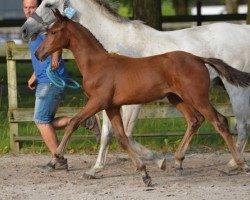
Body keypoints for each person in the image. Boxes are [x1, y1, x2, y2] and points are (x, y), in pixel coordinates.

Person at [23, 0, 101, 170]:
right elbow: (42, 51)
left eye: (32, 7)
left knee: (41, 120)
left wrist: (56, 56)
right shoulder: (34, 26)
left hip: (51, 79)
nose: (29, 11)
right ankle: (86, 121)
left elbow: (56, 35)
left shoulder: (44, 22)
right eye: (26, 7)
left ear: (39, 8)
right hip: (43, 78)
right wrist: (33, 75)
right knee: (46, 121)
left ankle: (58, 159)